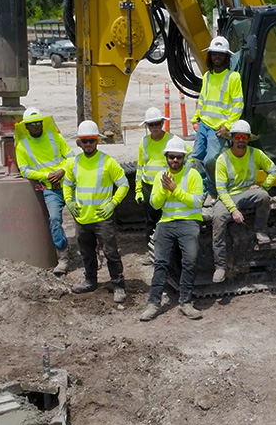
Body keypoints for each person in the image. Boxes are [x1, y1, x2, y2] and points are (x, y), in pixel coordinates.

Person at [62, 120, 130, 302]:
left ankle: (118, 285)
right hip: (82, 218)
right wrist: (69, 201)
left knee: (111, 252)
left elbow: (123, 185)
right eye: (84, 141)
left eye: (91, 140)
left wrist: (113, 204)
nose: (88, 144)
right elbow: (67, 184)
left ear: (97, 141)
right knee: (87, 252)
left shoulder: (108, 162)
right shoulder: (73, 163)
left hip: (103, 218)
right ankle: (90, 280)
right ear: (79, 142)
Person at [140, 137, 205, 321]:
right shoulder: (161, 177)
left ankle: (185, 302)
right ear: (166, 157)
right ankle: (153, 303)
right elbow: (154, 203)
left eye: (178, 157)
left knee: (190, 261)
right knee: (161, 263)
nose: (174, 160)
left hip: (189, 221)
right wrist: (163, 189)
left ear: (183, 158)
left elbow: (197, 202)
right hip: (166, 222)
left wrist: (175, 190)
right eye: (171, 157)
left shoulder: (193, 176)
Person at [211, 119, 276, 283]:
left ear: (248, 139)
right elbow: (221, 189)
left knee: (263, 196)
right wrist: (233, 210)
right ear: (232, 138)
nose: (241, 140)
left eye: (244, 137)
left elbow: (274, 170)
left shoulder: (256, 154)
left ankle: (260, 230)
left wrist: (264, 186)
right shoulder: (223, 159)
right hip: (227, 196)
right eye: (238, 136)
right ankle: (220, 266)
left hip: (248, 193)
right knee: (218, 219)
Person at [14, 107, 75, 275]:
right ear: (26, 127)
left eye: (38, 123)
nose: (35, 126)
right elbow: (25, 171)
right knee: (55, 220)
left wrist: (62, 171)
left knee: (84, 218)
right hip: (50, 189)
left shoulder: (55, 138)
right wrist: (46, 176)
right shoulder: (22, 146)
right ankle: (63, 256)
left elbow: (71, 157)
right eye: (32, 124)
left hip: (68, 184)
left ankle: (94, 251)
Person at [191, 36, 244, 196]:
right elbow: (203, 100)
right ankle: (201, 190)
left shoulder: (233, 77)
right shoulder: (207, 76)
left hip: (218, 129)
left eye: (220, 54)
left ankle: (212, 190)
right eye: (214, 54)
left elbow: (238, 104)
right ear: (210, 56)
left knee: (210, 160)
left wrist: (227, 126)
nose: (217, 57)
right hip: (204, 125)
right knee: (196, 159)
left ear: (227, 57)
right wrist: (196, 118)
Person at [134, 107, 179, 260]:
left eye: (157, 124)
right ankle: (151, 252)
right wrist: (138, 189)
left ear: (162, 123)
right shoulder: (144, 142)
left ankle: (171, 252)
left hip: (167, 186)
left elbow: (187, 159)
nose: (154, 127)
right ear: (147, 126)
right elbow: (140, 167)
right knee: (151, 221)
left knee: (169, 218)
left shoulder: (172, 140)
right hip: (149, 186)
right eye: (151, 125)